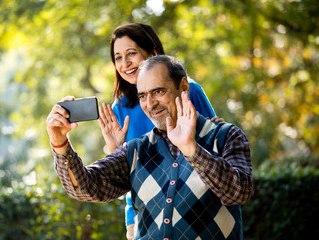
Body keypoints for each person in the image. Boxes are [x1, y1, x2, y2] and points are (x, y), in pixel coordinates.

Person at [47, 55, 254, 239]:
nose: (150, 104)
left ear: (183, 87)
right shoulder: (135, 149)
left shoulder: (227, 136)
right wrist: (60, 143)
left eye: (158, 91)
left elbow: (239, 192)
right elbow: (85, 188)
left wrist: (191, 149)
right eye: (143, 95)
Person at [104, 23, 221, 239]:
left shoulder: (188, 90)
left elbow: (214, 145)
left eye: (132, 53)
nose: (125, 63)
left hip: (195, 208)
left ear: (153, 54)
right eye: (118, 57)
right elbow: (121, 173)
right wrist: (113, 151)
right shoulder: (119, 108)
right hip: (142, 215)